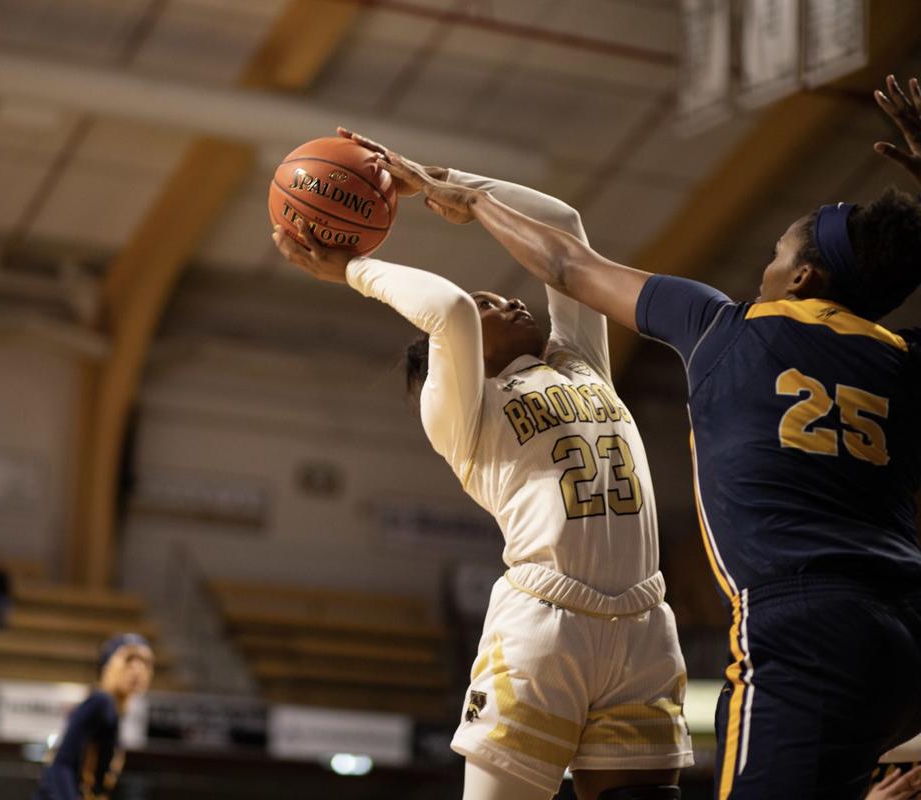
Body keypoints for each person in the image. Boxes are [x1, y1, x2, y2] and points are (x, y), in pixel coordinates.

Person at [379, 73, 921, 799]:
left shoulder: (725, 329)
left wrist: (463, 199)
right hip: (902, 621)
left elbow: (568, 255)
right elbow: (478, 301)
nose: (761, 268)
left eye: (774, 254)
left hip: (788, 623)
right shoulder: (904, 358)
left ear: (801, 279)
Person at [272, 150, 690, 800]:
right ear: (457, 364)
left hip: (643, 622)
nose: (506, 299)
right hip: (545, 627)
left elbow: (566, 224)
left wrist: (454, 186)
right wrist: (351, 268)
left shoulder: (579, 361)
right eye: (491, 303)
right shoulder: (465, 414)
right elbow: (447, 308)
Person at [35, 633, 154, 800]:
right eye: (129, 661)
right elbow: (62, 764)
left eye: (144, 662)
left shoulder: (112, 709)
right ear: (107, 666)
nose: (137, 670)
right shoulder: (101, 702)